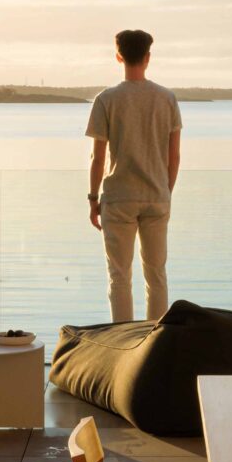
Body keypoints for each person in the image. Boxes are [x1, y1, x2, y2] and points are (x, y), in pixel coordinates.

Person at [84, 28, 181, 323]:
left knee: (119, 277)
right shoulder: (167, 99)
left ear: (119, 57)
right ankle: (156, 344)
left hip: (119, 198)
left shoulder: (106, 100)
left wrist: (92, 198)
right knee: (157, 275)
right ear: (148, 57)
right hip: (156, 196)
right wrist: (165, 191)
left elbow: (98, 157)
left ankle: (124, 344)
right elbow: (173, 156)